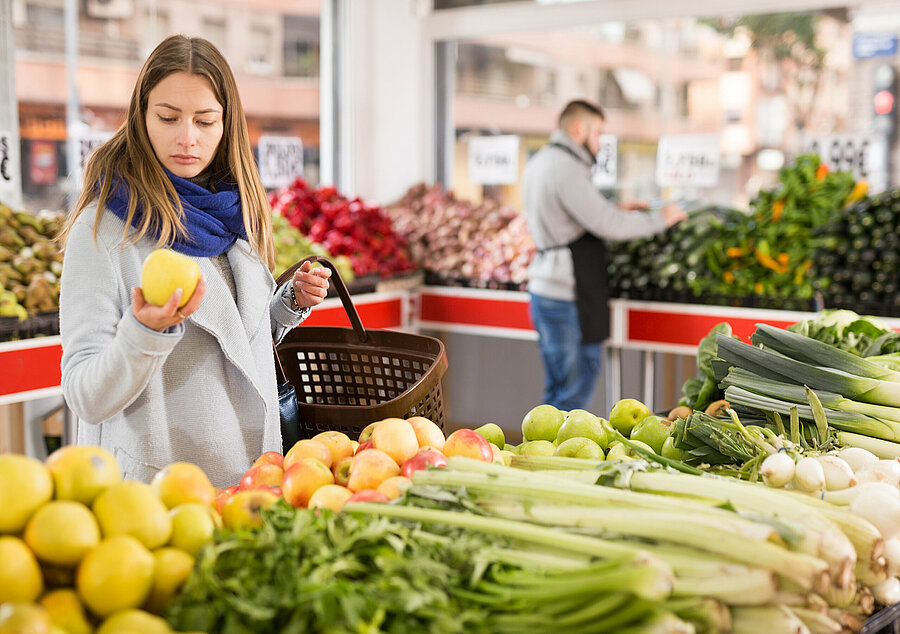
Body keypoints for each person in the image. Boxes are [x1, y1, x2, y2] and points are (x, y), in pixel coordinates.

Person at [57, 35, 331, 488]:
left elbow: (236, 339)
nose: (188, 138)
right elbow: (85, 395)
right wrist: (144, 332)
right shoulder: (104, 227)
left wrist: (285, 306)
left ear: (227, 124)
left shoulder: (233, 209)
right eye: (168, 118)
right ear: (141, 116)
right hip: (158, 497)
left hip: (250, 486)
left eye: (205, 121)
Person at [522, 99, 686, 411]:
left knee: (559, 390)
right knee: (574, 390)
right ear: (578, 128)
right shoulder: (566, 167)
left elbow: (572, 218)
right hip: (566, 294)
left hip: (548, 289)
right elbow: (607, 225)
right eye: (598, 133)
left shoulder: (542, 161)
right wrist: (661, 218)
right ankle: (556, 459)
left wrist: (617, 209)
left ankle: (542, 453)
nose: (600, 143)